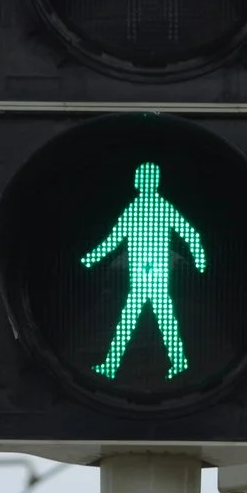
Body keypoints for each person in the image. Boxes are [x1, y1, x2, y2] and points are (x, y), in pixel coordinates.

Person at [80, 161, 207, 377]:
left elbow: (189, 233)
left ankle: (113, 366)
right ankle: (173, 363)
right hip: (145, 277)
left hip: (153, 278)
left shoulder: (156, 207)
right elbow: (114, 239)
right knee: (148, 323)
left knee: (142, 323)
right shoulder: (139, 208)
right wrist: (91, 258)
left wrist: (200, 259)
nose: (142, 181)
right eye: (141, 177)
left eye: (145, 177)